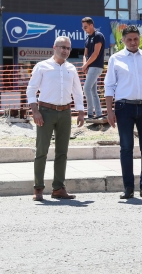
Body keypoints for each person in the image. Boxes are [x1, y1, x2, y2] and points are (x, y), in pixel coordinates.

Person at [104, 25, 142, 200]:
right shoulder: (116, 59)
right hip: (124, 108)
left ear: (139, 39)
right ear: (123, 40)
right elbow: (109, 86)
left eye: (135, 39)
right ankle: (128, 188)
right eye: (128, 39)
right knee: (126, 148)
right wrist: (109, 111)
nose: (132, 42)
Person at [27, 36, 85, 201]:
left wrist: (80, 112)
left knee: (62, 152)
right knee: (41, 151)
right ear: (54, 47)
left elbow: (77, 91)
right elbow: (31, 89)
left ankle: (58, 188)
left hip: (65, 113)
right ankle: (38, 188)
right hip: (45, 111)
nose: (65, 50)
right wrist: (35, 111)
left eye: (68, 48)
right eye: (62, 47)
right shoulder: (42, 66)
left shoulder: (72, 68)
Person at [81, 17, 106, 119]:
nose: (84, 29)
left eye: (86, 27)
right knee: (92, 91)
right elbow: (85, 54)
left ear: (91, 25)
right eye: (83, 27)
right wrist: (84, 65)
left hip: (96, 66)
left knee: (86, 88)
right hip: (90, 67)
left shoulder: (98, 36)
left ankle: (90, 113)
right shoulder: (87, 38)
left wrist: (86, 65)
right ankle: (99, 113)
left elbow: (96, 54)